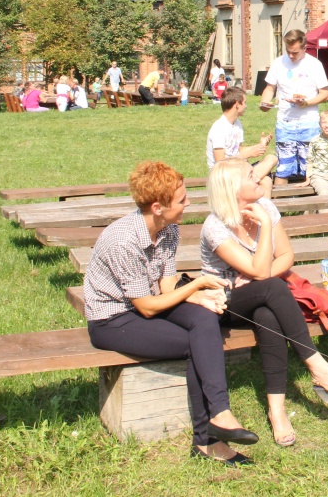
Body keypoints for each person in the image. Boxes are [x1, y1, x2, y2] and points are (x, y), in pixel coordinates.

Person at [83, 161, 258, 466]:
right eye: (181, 200)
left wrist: (201, 297)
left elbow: (166, 285)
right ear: (157, 207)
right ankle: (207, 438)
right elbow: (146, 307)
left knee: (204, 318)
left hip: (148, 305)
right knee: (197, 342)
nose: (188, 203)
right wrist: (199, 284)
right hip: (113, 320)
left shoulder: (169, 229)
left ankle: (219, 415)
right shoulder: (124, 240)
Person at [200, 158, 328, 447]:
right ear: (233, 188)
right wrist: (263, 235)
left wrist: (259, 271)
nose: (259, 178)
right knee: (273, 286)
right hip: (223, 301)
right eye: (251, 175)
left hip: (262, 295)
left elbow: (286, 257)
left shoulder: (266, 207)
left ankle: (277, 412)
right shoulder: (215, 227)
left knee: (268, 315)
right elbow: (261, 271)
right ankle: (318, 368)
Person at [259, 30, 328, 185]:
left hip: (308, 123)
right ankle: (281, 200)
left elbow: (325, 94)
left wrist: (306, 103)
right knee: (283, 168)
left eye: (295, 53)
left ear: (305, 48)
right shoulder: (278, 63)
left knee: (310, 169)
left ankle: (310, 201)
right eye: (288, 51)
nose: (291, 56)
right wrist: (265, 103)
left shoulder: (314, 64)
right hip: (285, 123)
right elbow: (269, 88)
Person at [206, 87, 276, 197]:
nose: (246, 106)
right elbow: (220, 162)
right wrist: (246, 155)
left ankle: (252, 185)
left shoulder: (237, 123)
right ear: (237, 104)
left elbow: (238, 150)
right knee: (265, 180)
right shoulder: (219, 128)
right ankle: (250, 180)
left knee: (271, 162)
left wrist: (260, 146)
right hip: (224, 176)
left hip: (239, 170)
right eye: (245, 102)